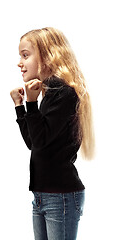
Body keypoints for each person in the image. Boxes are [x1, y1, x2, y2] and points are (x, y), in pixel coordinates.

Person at [10, 27, 95, 240]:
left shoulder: (64, 92)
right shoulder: (49, 92)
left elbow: (39, 140)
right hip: (42, 195)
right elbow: (33, 142)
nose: (19, 63)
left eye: (25, 55)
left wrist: (31, 103)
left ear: (47, 56)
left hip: (61, 197)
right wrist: (20, 106)